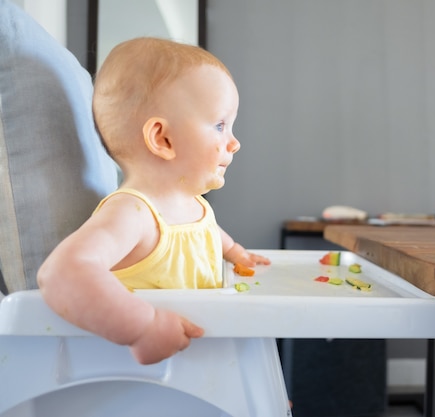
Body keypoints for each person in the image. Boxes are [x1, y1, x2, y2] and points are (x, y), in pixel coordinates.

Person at [37, 37, 269, 366]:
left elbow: (206, 234)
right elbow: (62, 272)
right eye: (220, 125)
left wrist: (234, 252)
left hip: (198, 363)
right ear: (163, 139)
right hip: (142, 378)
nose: (234, 143)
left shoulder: (192, 205)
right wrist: (142, 327)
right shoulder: (132, 213)